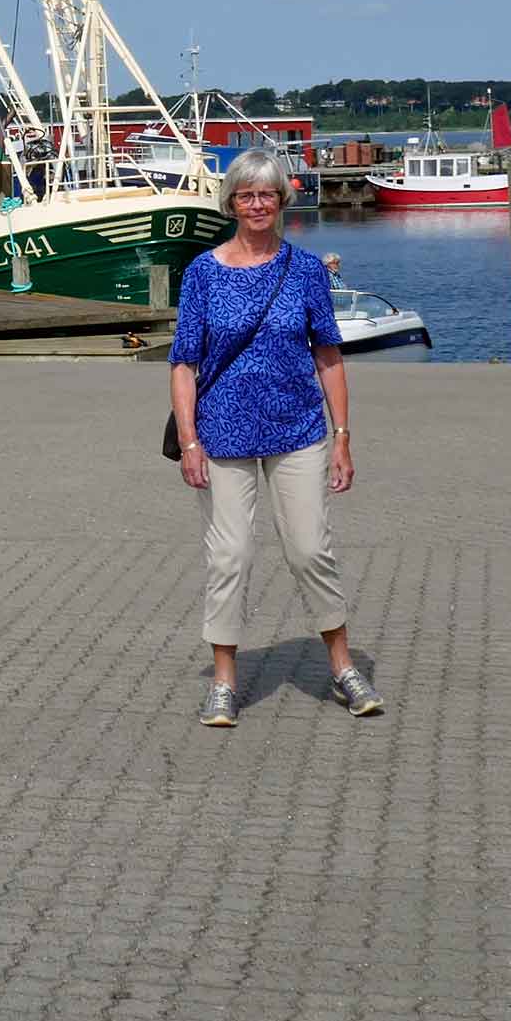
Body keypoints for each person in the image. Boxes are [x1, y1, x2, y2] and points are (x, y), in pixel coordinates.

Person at [170, 148, 381, 728]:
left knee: (310, 549)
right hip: (222, 436)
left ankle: (342, 667)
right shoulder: (202, 273)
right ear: (231, 203)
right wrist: (189, 441)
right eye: (246, 195)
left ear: (282, 200)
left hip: (298, 430)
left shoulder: (306, 270)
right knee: (230, 555)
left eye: (266, 194)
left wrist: (342, 437)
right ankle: (223, 681)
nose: (257, 204)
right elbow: (184, 363)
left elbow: (329, 355)